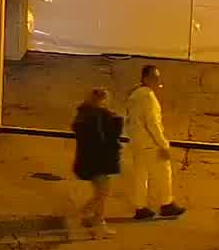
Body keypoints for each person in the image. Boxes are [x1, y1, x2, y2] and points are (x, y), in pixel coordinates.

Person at [125, 65, 185, 220]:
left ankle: (140, 207)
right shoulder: (148, 97)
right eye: (154, 77)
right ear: (145, 78)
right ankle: (167, 204)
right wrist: (163, 144)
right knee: (164, 173)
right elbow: (153, 123)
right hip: (150, 143)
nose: (157, 80)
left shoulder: (134, 95)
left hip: (137, 142)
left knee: (141, 176)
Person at [70, 87, 123, 234]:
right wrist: (116, 120)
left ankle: (93, 220)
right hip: (98, 162)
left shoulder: (85, 114)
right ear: (101, 100)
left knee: (101, 193)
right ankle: (92, 221)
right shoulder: (96, 116)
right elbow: (102, 139)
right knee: (102, 193)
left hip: (89, 161)